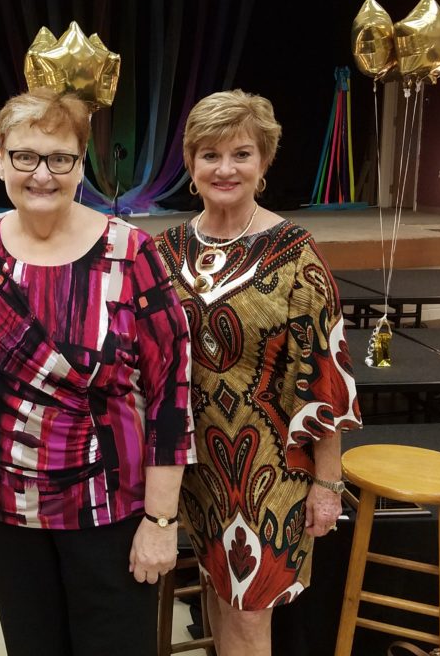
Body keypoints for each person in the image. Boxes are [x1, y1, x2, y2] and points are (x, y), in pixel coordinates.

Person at [0, 88, 196, 656]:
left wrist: (161, 522)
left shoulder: (130, 254)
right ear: (0, 159)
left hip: (108, 510)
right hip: (8, 509)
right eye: (25, 156)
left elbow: (171, 394)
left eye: (60, 158)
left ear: (81, 166)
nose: (42, 174)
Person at [151, 90, 362, 656]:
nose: (225, 169)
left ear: (263, 162)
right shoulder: (166, 251)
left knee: (249, 615)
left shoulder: (294, 253)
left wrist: (328, 483)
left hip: (271, 471)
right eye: (210, 155)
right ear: (190, 163)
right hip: (195, 468)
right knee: (219, 596)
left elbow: (326, 377)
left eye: (241, 154)